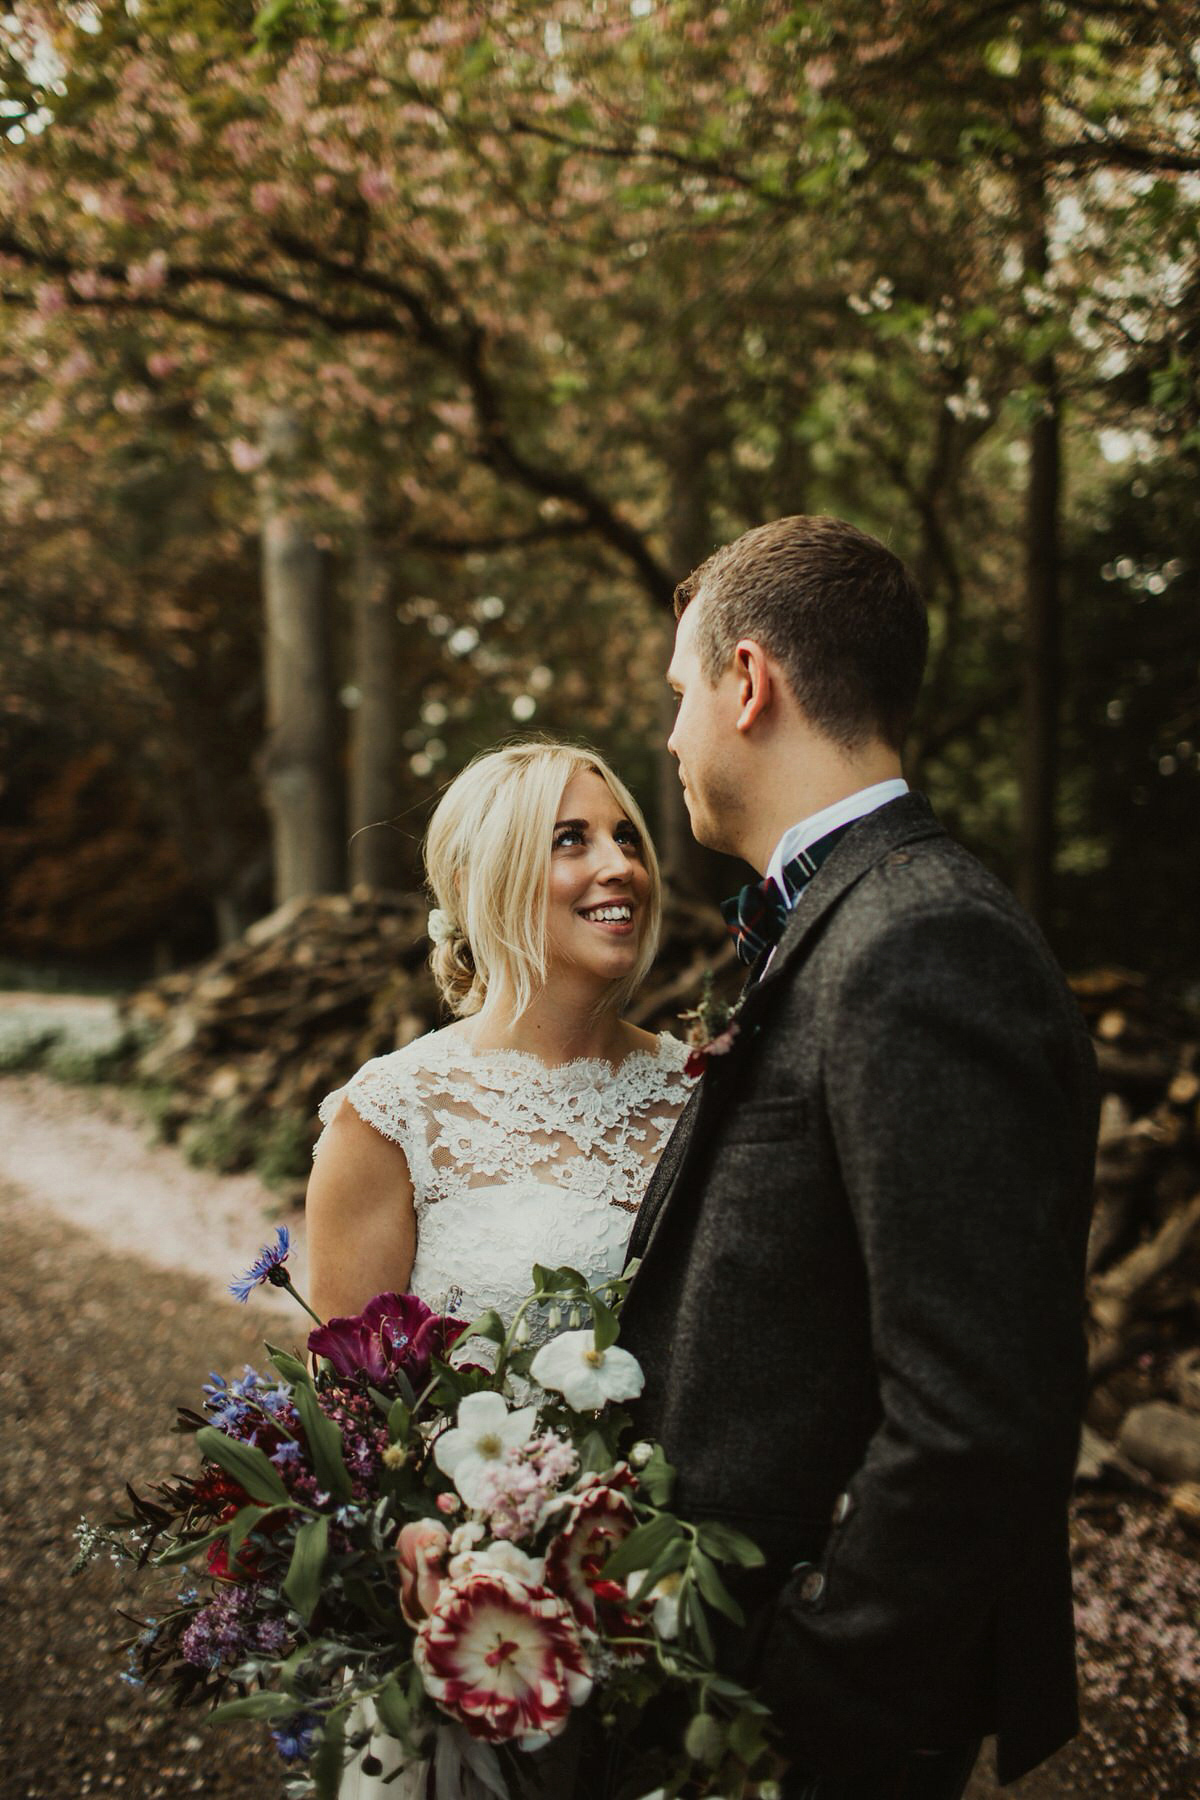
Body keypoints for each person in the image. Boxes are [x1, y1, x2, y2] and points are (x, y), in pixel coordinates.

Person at [615, 515, 1099, 1800]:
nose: (671, 737)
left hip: (808, 1715)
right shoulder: (848, 918)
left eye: (680, 693)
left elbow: (981, 1409)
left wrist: (808, 1691)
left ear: (749, 682)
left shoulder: (922, 944)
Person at [305, 740, 694, 1797]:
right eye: (572, 840)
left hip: (662, 1610)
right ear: (486, 883)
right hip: (467, 1625)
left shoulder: (700, 1099)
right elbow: (346, 1407)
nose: (619, 865)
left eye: (626, 838)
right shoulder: (393, 1113)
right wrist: (426, 1544)